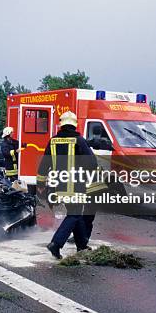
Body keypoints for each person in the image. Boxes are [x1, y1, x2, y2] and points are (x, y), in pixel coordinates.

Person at [36, 111, 106, 259]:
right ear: (74, 125)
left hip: (59, 185)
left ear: (61, 125)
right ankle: (56, 243)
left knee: (76, 215)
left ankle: (81, 245)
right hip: (76, 186)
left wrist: (41, 182)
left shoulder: (53, 141)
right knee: (74, 214)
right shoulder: (79, 140)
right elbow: (91, 163)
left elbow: (44, 164)